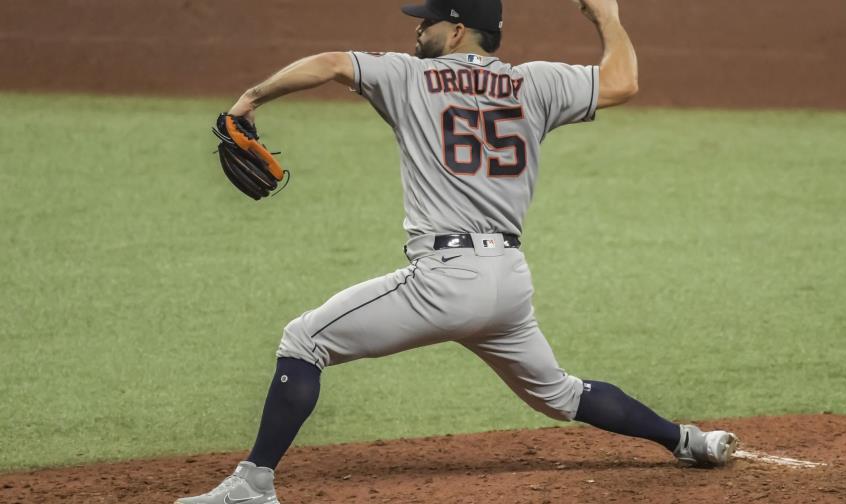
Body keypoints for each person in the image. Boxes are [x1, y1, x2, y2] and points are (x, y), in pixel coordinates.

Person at [176, 1, 738, 502]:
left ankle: (253, 486)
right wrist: (606, 16)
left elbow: (329, 63)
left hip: (446, 279)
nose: (419, 26)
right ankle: (690, 441)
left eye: (430, 18)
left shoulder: (409, 77)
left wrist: (249, 99)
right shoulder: (533, 84)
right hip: (509, 284)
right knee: (560, 393)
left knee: (304, 340)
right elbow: (622, 82)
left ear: (459, 30)